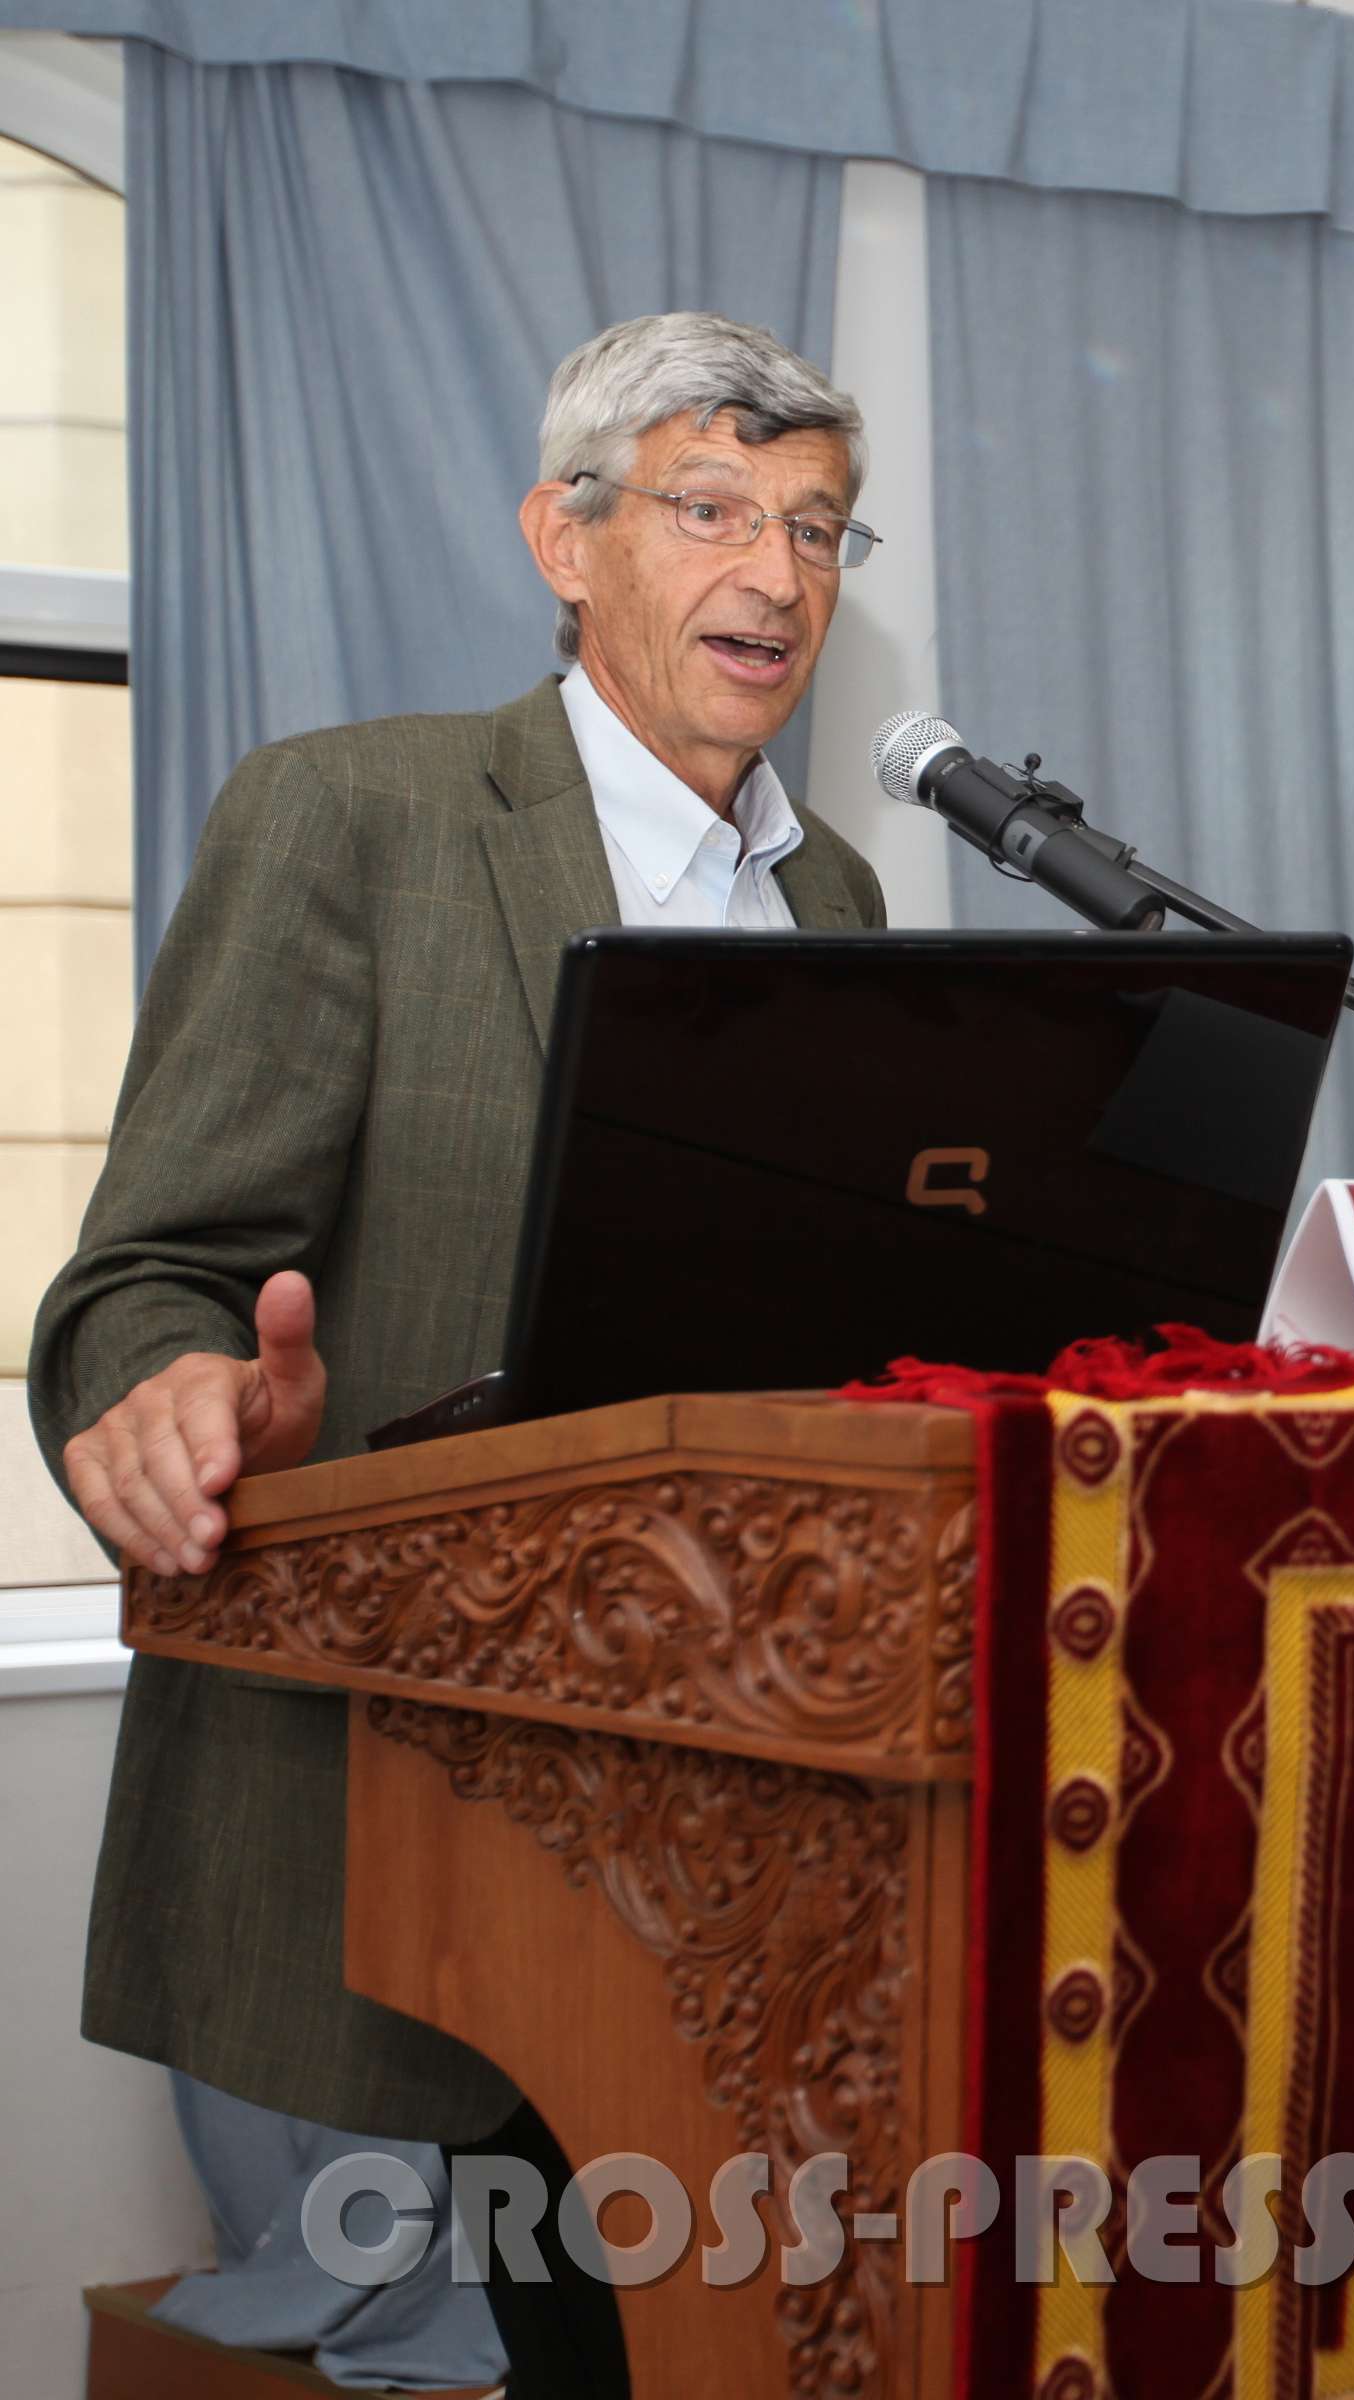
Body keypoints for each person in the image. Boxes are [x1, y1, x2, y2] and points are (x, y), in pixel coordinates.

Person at [28, 310, 886, 2396]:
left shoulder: (843, 904)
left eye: (817, 527)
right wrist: (168, 1393)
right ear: (563, 539)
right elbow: (151, 1273)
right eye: (711, 510)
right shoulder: (360, 818)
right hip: (394, 1814)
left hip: (740, 1833)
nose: (776, 575)